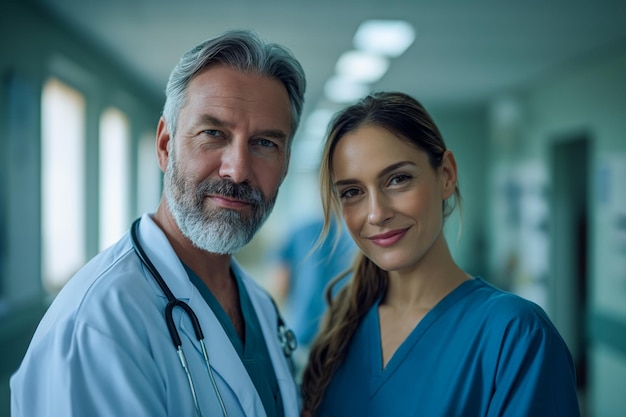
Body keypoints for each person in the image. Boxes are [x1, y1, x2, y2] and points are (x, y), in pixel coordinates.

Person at [11, 29, 306, 417]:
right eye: (213, 133)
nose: (237, 171)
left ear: (285, 164)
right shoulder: (98, 325)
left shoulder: (258, 304)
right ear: (166, 146)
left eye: (265, 143)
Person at [300, 91, 581, 417]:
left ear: (446, 174)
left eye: (398, 179)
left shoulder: (514, 334)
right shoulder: (342, 330)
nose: (376, 213)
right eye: (352, 192)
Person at [272, 216, 356, 377]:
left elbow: (281, 284)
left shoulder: (300, 231)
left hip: (303, 333)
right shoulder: (354, 232)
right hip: (343, 333)